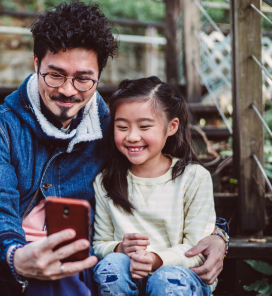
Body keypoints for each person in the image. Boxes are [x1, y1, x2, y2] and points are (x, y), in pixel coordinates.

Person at [0, 2, 229, 296]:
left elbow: (158, 179)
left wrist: (218, 236)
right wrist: (15, 255)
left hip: (70, 267)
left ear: (98, 77)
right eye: (55, 75)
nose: (67, 90)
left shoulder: (114, 132)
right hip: (0, 254)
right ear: (36, 63)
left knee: (66, 265)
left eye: (83, 79)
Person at [92, 77, 224, 296]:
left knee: (166, 279)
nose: (132, 137)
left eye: (144, 126)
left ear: (171, 127)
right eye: (122, 127)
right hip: (128, 275)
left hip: (180, 275)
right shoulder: (106, 181)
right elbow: (100, 244)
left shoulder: (193, 178)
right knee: (112, 266)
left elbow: (198, 249)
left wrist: (156, 260)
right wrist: (120, 248)